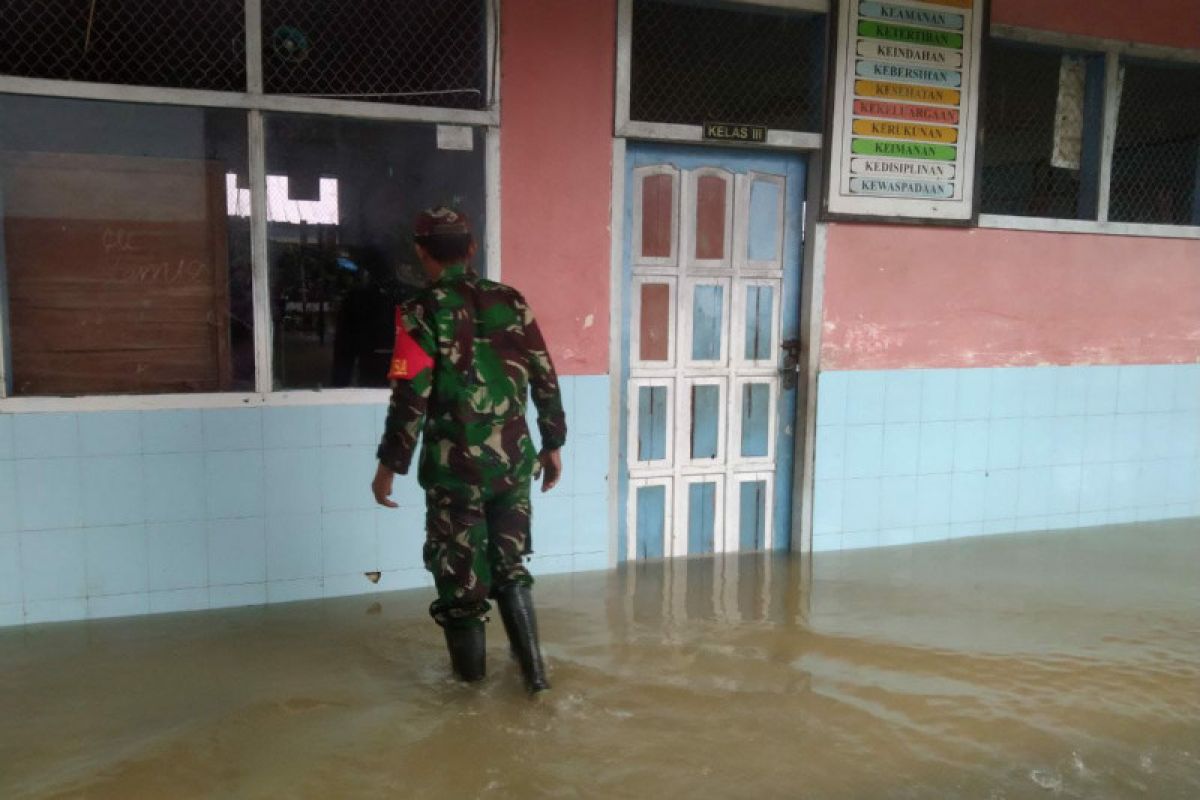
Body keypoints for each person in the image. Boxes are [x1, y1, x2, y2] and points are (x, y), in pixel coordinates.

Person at [371, 206, 566, 694]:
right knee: (510, 566)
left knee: (460, 583)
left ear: (420, 252)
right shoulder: (512, 300)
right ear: (472, 247)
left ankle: (470, 703)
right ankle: (536, 681)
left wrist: (389, 465)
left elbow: (411, 394)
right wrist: (552, 442)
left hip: (454, 469)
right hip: (513, 461)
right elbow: (544, 372)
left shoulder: (419, 311)